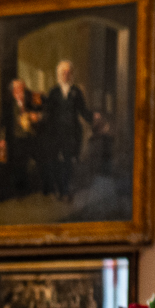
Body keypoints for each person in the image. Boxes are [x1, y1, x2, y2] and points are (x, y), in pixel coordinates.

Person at [40, 59, 96, 202]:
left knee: (67, 161)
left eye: (68, 72)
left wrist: (93, 117)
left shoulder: (76, 91)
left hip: (71, 133)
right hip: (55, 132)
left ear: (71, 74)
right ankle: (59, 188)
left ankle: (65, 191)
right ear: (59, 74)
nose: (66, 75)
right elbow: (48, 112)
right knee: (55, 161)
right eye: (63, 72)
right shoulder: (53, 92)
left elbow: (83, 111)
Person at [0, 77, 40, 202]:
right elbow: (2, 122)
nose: (21, 91)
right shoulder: (8, 104)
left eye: (22, 88)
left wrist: (35, 117)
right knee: (16, 165)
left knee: (27, 163)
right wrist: (2, 139)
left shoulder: (30, 101)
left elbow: (39, 114)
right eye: (18, 88)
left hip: (28, 137)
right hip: (14, 138)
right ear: (14, 90)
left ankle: (27, 189)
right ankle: (18, 192)